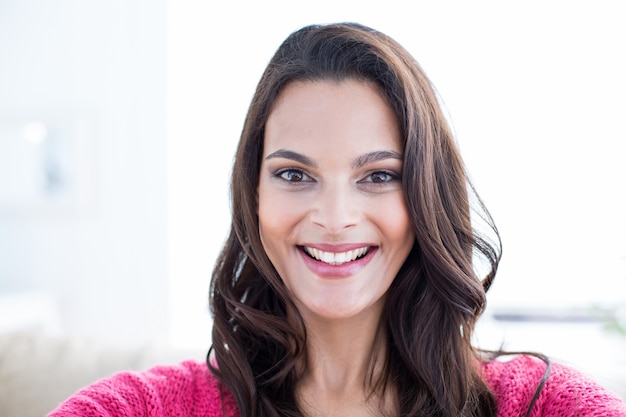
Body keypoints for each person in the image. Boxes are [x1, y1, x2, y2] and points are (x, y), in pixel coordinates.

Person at [49, 22, 625, 417]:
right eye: (295, 175)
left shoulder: (543, 405)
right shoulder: (149, 406)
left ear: (426, 193)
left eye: (377, 176)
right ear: (252, 194)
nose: (334, 218)